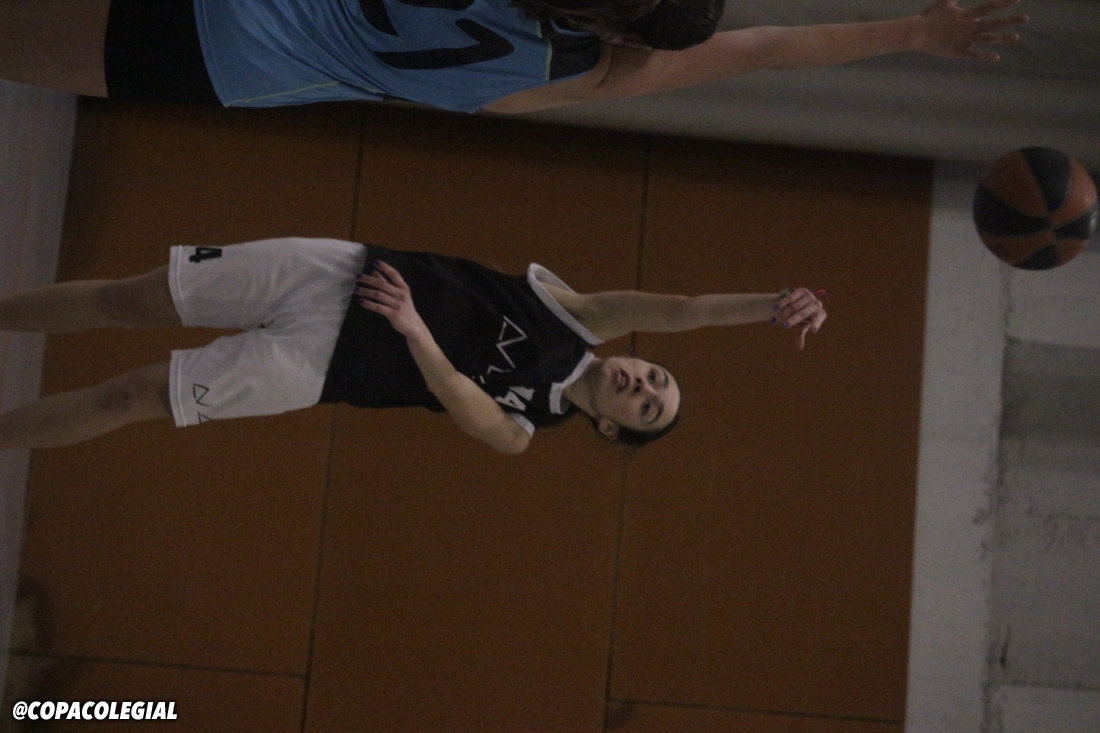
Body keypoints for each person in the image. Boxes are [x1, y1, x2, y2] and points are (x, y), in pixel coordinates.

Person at [0, 237, 825, 453]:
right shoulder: (582, 317)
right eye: (656, 377)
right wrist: (768, 307)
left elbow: (463, 400)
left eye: (645, 406)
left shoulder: (523, 428)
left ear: (611, 427)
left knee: (132, 397)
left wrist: (415, 328)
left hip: (322, 365)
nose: (642, 384)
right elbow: (683, 308)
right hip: (340, 273)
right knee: (131, 297)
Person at [0, 0, 1026, 112]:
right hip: (214, 48)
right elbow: (757, 45)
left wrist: (910, 31)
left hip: (209, 34)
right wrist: (910, 31)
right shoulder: (580, 63)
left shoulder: (573, 62)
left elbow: (758, 42)